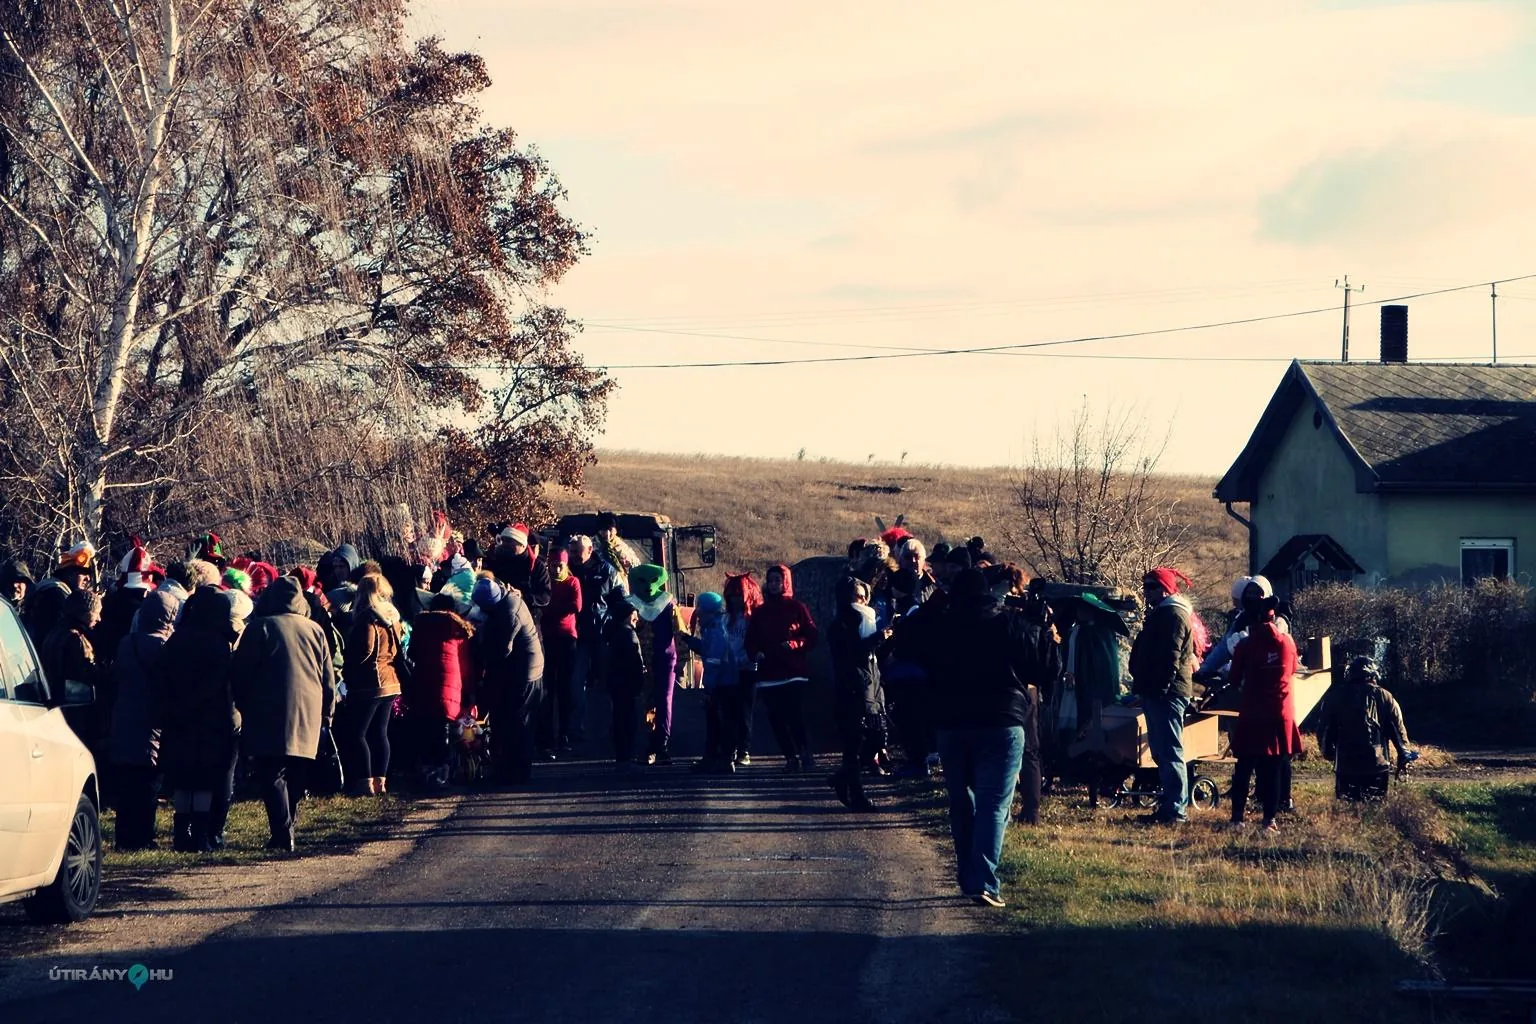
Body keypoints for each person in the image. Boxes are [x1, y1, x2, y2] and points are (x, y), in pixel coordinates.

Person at [924, 568, 1057, 908]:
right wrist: (1041, 628)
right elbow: (1045, 670)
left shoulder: (940, 625)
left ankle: (968, 870)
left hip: (951, 722)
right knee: (993, 804)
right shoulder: (1008, 623)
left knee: (962, 801)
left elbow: (909, 646)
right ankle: (981, 879)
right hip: (1001, 720)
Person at [232, 577, 337, 851]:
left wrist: (243, 705)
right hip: (309, 711)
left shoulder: (260, 628)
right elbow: (328, 678)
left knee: (271, 772)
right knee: (296, 771)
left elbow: (241, 673)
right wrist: (328, 713)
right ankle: (288, 826)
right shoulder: (315, 630)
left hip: (268, 708)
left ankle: (282, 832)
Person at [155, 589, 242, 851]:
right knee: (204, 779)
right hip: (210, 719)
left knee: (183, 778)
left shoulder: (176, 639)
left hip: (177, 717)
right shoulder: (218, 643)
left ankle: (181, 833)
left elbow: (163, 679)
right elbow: (221, 683)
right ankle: (201, 835)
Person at [1226, 589, 1303, 831]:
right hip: (1280, 714)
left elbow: (1234, 677)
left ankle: (1237, 818)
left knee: (1244, 766)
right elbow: (1291, 670)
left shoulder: (1245, 646)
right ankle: (1269, 820)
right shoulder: (1287, 643)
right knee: (1273, 768)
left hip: (1253, 712)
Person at [105, 590, 176, 850]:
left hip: (124, 719)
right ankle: (143, 837)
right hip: (151, 722)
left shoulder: (127, 643)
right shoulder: (165, 647)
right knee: (148, 786)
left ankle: (124, 836)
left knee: (126, 786)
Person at [1128, 566, 1198, 825]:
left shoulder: (1172, 615)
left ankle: (1176, 809)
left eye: (1151, 586)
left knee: (1169, 751)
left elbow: (1170, 656)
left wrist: (1160, 688)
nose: (1146, 591)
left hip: (1166, 693)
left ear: (1165, 589)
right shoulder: (1164, 613)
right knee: (1162, 750)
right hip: (1159, 690)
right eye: (1145, 585)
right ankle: (1171, 804)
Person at [472, 572, 544, 784]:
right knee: (515, 721)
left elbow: (502, 650)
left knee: (517, 721)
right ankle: (514, 769)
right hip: (522, 667)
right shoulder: (507, 599)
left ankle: (515, 772)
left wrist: (480, 650)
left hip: (525, 672)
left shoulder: (507, 614)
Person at [746, 563, 818, 772]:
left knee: (794, 714)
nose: (774, 584)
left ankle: (805, 752)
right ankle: (790, 757)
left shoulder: (797, 608)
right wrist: (755, 653)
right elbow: (750, 640)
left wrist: (795, 644)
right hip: (769, 673)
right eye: (770, 581)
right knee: (775, 718)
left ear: (785, 582)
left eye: (778, 580)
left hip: (794, 671)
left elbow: (811, 636)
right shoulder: (760, 612)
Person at [827, 576, 892, 810]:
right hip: (853, 689)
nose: (863, 599)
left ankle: (842, 778)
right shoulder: (843, 623)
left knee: (877, 737)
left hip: (872, 686)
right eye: (858, 595)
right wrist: (878, 638)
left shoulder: (867, 618)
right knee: (854, 745)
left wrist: (886, 638)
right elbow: (852, 654)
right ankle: (856, 794)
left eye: (865, 595)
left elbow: (872, 656)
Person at [341, 572, 405, 795]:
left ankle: (365, 781)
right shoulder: (393, 616)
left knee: (358, 733)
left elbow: (366, 650)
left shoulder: (367, 618)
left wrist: (350, 667)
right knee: (380, 732)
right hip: (391, 680)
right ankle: (381, 780)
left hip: (370, 682)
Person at [408, 592, 478, 787]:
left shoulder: (420, 625)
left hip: (423, 684)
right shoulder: (458, 628)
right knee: (443, 730)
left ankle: (427, 772)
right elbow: (466, 666)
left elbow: (412, 653)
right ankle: (442, 773)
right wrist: (469, 692)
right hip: (450, 687)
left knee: (425, 729)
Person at [1320, 657, 1412, 801]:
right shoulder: (1385, 696)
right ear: (1373, 675)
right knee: (1375, 809)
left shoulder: (1335, 697)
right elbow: (1398, 729)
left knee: (1347, 810)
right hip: (1377, 765)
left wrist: (1327, 752)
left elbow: (1324, 728)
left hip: (1345, 764)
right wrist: (1404, 755)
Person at [627, 563, 683, 765]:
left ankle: (662, 744)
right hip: (641, 660)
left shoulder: (668, 603)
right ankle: (652, 743)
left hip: (666, 658)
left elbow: (679, 632)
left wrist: (682, 659)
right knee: (647, 702)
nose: (649, 587)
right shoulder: (632, 604)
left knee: (664, 700)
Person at [570, 534, 621, 747]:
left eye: (577, 552)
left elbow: (619, 601)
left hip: (602, 634)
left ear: (590, 550)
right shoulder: (566, 570)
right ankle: (575, 730)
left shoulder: (607, 572)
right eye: (571, 551)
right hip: (577, 636)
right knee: (575, 683)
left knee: (610, 683)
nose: (573, 555)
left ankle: (614, 728)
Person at [682, 591, 738, 773]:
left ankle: (719, 759)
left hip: (722, 684)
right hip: (728, 682)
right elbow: (707, 650)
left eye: (700, 610)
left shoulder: (715, 631)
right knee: (721, 722)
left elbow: (713, 661)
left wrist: (708, 689)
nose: (697, 615)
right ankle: (720, 758)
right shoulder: (718, 627)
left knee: (717, 722)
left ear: (708, 611)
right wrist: (689, 641)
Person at [41, 588, 103, 747]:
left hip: (53, 710)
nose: (99, 618)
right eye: (96, 613)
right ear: (84, 613)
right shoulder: (76, 640)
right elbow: (86, 677)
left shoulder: (54, 633)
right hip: (73, 715)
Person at [539, 549, 583, 756]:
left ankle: (564, 732)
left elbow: (576, 605)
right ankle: (546, 734)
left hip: (566, 639)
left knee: (564, 689)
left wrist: (550, 609)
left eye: (560, 566)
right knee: (548, 689)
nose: (556, 569)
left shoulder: (572, 582)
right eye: (553, 565)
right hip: (547, 639)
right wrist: (555, 608)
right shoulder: (545, 581)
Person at [722, 572, 763, 766]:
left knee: (745, 712)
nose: (736, 599)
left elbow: (756, 643)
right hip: (729, 671)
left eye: (739, 595)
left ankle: (743, 750)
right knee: (728, 711)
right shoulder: (725, 618)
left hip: (748, 670)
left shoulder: (752, 620)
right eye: (732, 595)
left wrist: (745, 659)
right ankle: (730, 748)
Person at [26, 542, 95, 647]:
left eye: (88, 574)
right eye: (83, 573)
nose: (88, 578)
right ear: (69, 572)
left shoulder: (50, 588)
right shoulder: (56, 595)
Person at [604, 598, 646, 768]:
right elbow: (635, 662)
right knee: (628, 720)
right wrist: (640, 681)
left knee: (618, 718)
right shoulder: (629, 634)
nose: (637, 617)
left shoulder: (612, 633)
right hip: (628, 684)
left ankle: (621, 755)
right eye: (634, 613)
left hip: (615, 684)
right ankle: (627, 755)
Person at [487, 523, 552, 611]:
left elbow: (544, 597)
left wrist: (522, 596)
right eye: (504, 540)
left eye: (510, 541)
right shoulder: (496, 560)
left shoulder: (536, 566)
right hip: (497, 613)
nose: (505, 544)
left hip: (526, 616)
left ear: (522, 545)